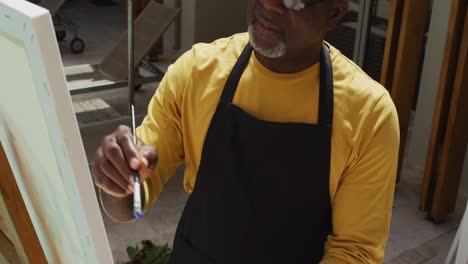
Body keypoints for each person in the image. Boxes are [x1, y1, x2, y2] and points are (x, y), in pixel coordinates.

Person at [92, 0, 400, 263]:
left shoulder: (368, 115)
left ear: (334, 13)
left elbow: (354, 251)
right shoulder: (198, 72)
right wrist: (118, 181)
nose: (269, 3)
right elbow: (129, 206)